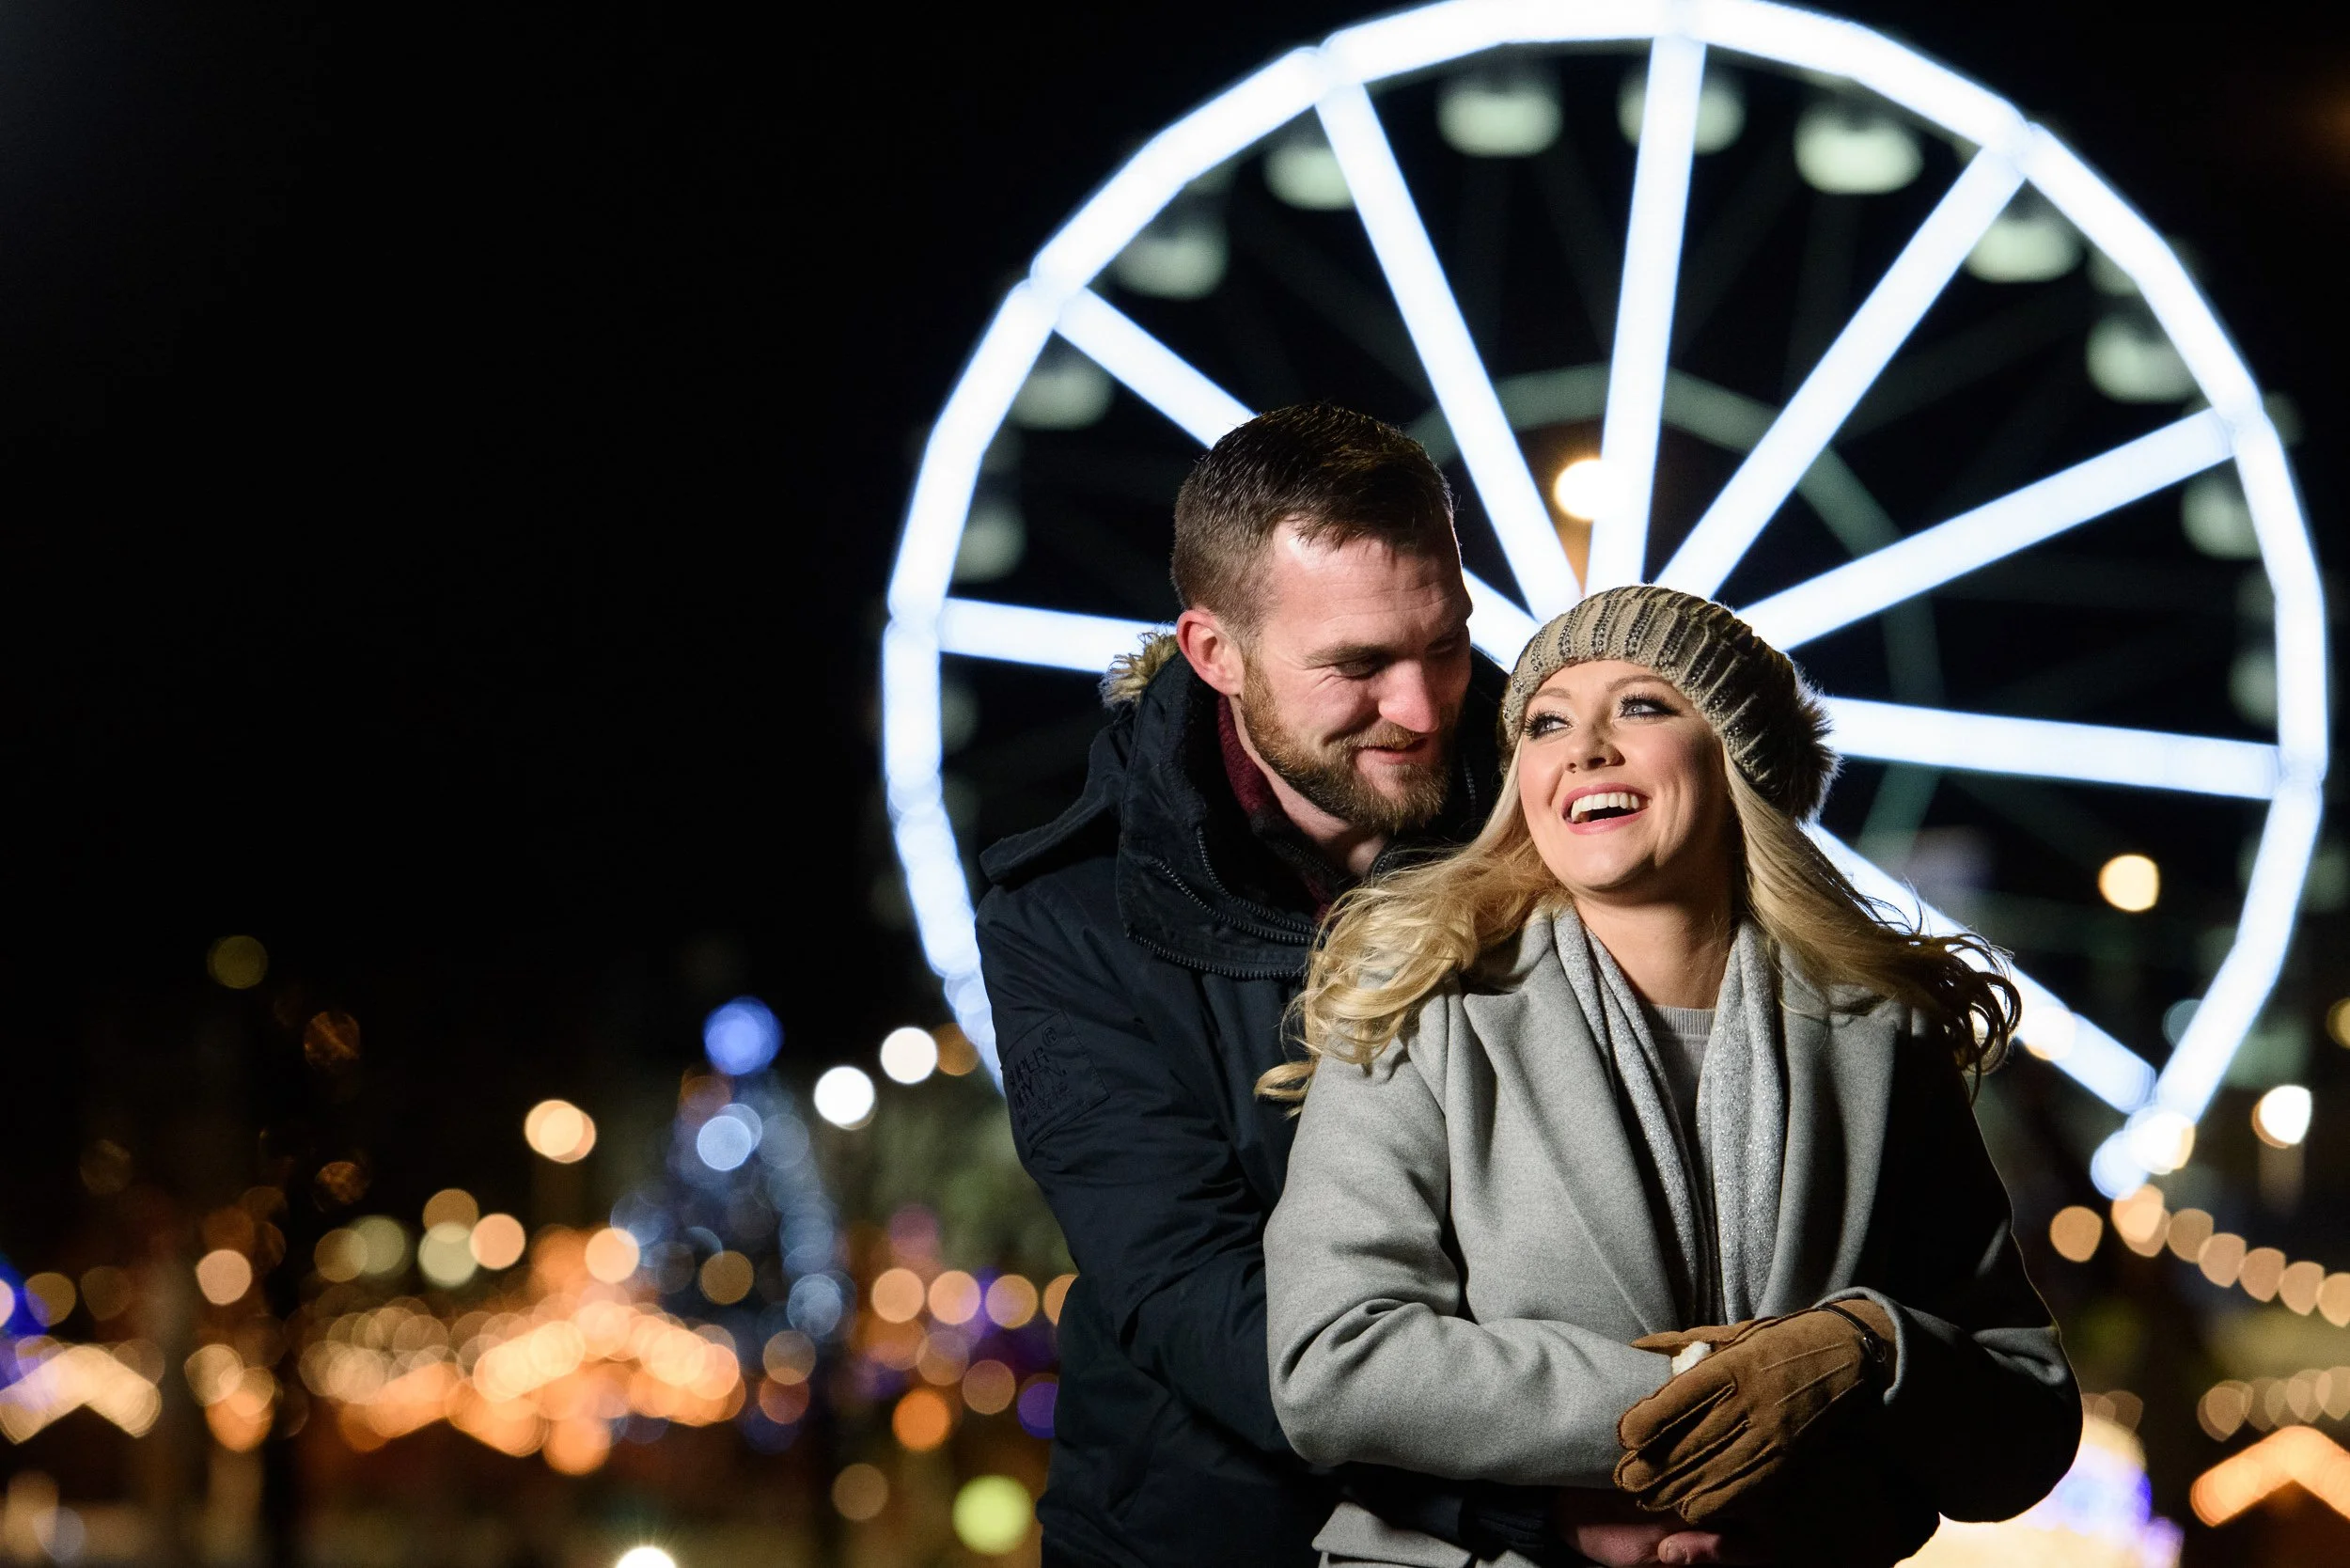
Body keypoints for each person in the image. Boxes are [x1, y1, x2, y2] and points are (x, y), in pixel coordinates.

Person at [1263, 586, 2083, 1568]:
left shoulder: (1882, 1040)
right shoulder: (1421, 1005)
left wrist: (1865, 1351)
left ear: (1743, 759)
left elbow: (2024, 1419)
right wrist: (1712, 1403)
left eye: (1642, 706)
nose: (1584, 748)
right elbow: (1331, 1363)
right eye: (1545, 723)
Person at [978, 405, 1535, 1565]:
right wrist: (1542, 1495)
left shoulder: (1564, 827)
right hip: (1209, 1532)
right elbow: (1188, 1289)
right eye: (1358, 667)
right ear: (1212, 652)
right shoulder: (1065, 922)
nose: (1425, 708)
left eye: (1447, 645)